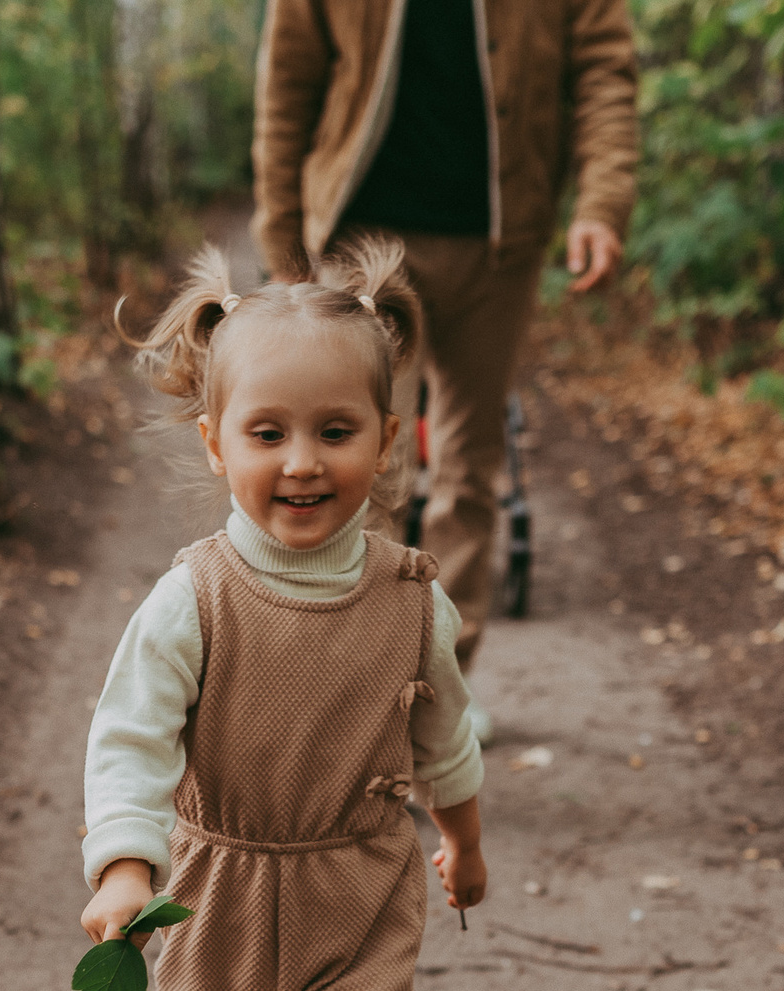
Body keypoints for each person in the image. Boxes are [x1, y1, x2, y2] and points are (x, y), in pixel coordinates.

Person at [80, 240, 486, 991]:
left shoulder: (414, 602)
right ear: (216, 446)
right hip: (213, 897)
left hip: (356, 895)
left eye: (334, 430)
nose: (301, 461)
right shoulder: (191, 600)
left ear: (389, 436)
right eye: (267, 433)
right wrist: (123, 866)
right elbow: (130, 738)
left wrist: (461, 838)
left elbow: (444, 732)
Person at [253, 0, 638, 689]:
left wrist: (601, 205)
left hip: (500, 241)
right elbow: (289, 75)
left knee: (469, 463)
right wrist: (282, 232)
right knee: (365, 466)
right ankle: (355, 690)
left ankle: (439, 691)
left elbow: (605, 70)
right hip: (362, 234)